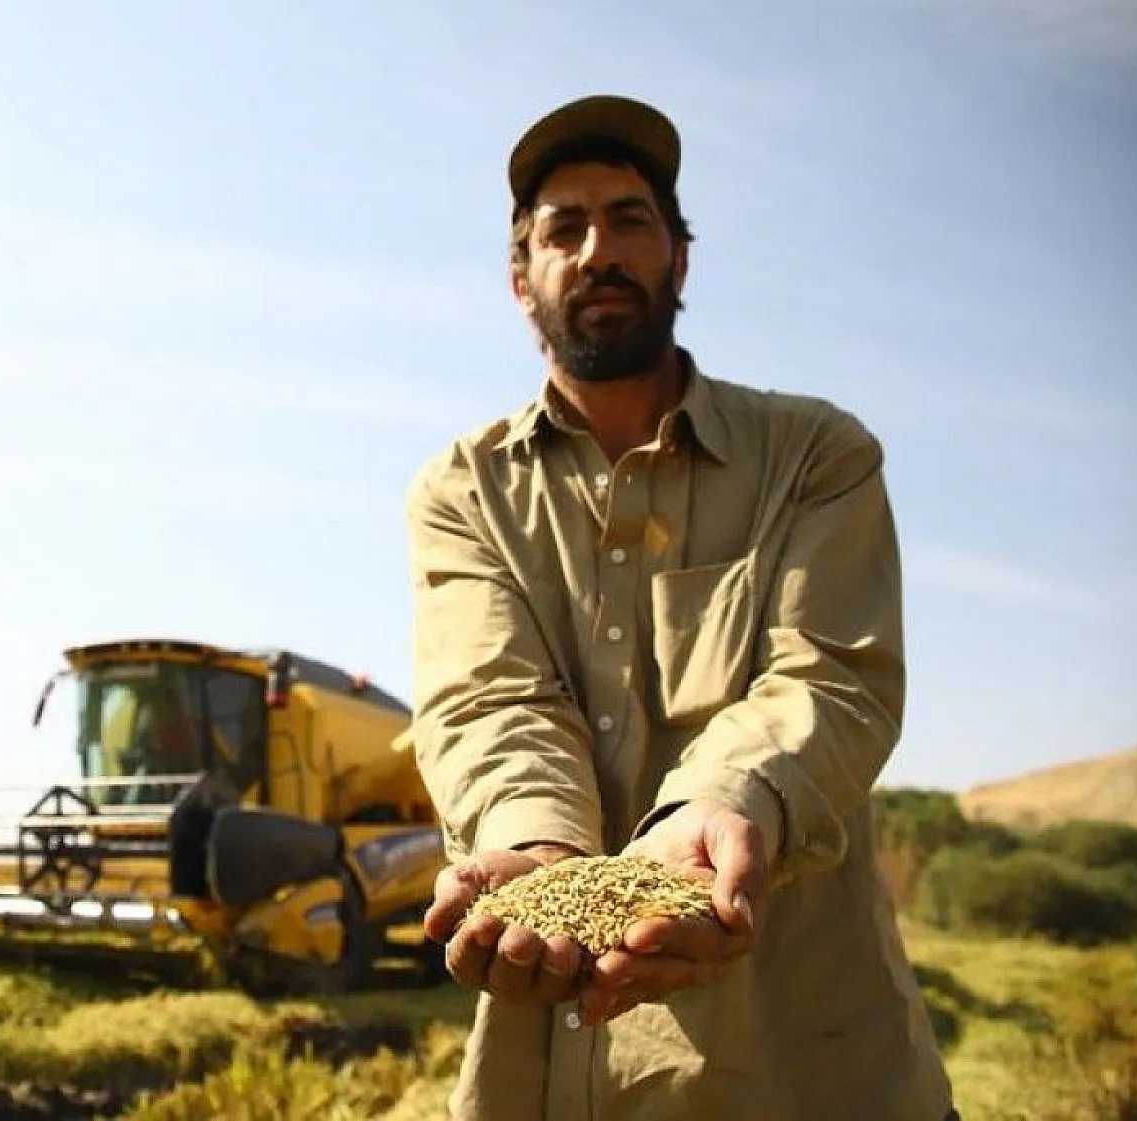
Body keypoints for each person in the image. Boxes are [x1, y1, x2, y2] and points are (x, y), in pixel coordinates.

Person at [403, 93, 958, 1120]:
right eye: (561, 229)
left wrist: (720, 808)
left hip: (803, 1060)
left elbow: (827, 675)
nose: (597, 248)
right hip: (549, 1067)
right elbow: (488, 699)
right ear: (520, 280)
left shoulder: (813, 455)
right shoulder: (462, 490)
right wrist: (536, 847)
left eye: (629, 219)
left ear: (679, 261)